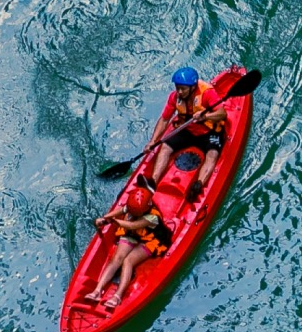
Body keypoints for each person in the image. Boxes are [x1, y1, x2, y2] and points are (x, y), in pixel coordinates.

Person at [91, 180, 172, 310]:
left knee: (128, 261)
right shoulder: (133, 206)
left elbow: (132, 225)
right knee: (117, 259)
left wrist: (112, 221)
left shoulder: (152, 217)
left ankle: (117, 296)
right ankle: (97, 290)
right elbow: (121, 210)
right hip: (134, 234)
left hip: (150, 239)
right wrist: (105, 218)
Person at [155, 66, 232, 198]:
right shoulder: (175, 97)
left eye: (183, 89)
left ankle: (198, 184)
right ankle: (152, 182)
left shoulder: (207, 93)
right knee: (165, 147)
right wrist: (153, 141)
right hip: (187, 129)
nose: (179, 91)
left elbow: (222, 114)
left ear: (192, 87)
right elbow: (164, 119)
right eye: (177, 87)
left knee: (212, 154)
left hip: (209, 131)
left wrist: (205, 117)